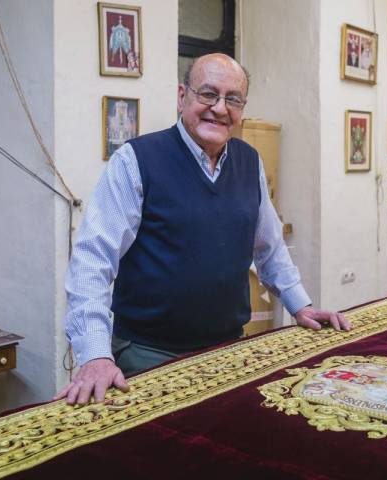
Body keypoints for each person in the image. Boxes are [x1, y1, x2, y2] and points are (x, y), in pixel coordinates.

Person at [56, 53, 350, 406]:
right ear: (183, 97)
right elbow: (92, 261)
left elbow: (268, 247)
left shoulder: (248, 161)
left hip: (229, 348)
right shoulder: (136, 160)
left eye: (233, 99)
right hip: (148, 355)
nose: (220, 108)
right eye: (208, 94)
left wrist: (300, 304)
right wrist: (94, 355)